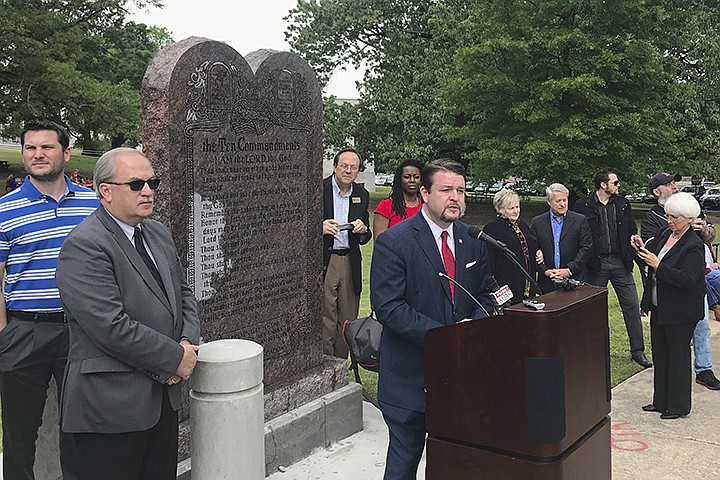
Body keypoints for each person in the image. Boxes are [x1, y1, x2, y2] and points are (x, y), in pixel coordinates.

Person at [55, 148, 201, 480]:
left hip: (161, 404)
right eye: (136, 184)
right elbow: (110, 327)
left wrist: (187, 341)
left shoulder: (157, 233)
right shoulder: (85, 246)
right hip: (110, 411)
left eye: (153, 182)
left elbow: (183, 294)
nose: (148, 191)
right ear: (105, 191)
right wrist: (174, 358)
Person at [370, 158, 494, 479]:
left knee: (453, 465)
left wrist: (474, 325)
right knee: (403, 465)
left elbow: (484, 293)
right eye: (446, 190)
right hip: (409, 381)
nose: (455, 197)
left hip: (458, 380)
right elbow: (389, 307)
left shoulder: (472, 241)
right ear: (424, 193)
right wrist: (446, 336)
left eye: (461, 190)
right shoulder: (394, 242)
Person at [0, 119, 98, 480]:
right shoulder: (4, 210)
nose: (38, 154)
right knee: (19, 432)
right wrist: (4, 334)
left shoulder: (93, 204)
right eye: (30, 148)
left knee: (80, 430)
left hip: (81, 332)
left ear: (66, 153)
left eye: (47, 147)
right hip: (25, 331)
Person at [640, 172, 720, 390]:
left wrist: (703, 229)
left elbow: (709, 235)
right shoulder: (656, 220)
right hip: (665, 297)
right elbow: (651, 246)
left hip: (688, 288)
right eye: (669, 185)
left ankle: (703, 370)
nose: (674, 187)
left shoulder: (688, 210)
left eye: (675, 183)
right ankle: (662, 398)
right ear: (657, 191)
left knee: (700, 328)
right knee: (665, 351)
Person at [634, 192, 706, 419]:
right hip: (659, 305)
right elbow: (650, 260)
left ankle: (678, 405)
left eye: (674, 217)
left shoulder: (694, 245)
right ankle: (660, 400)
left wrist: (658, 265)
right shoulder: (665, 233)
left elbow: (687, 280)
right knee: (661, 354)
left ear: (689, 218)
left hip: (681, 310)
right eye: (668, 216)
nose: (670, 221)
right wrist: (639, 250)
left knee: (677, 355)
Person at [574, 169, 651, 368]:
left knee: (632, 305)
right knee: (592, 310)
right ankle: (591, 350)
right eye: (615, 183)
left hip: (620, 262)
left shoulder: (622, 203)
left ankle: (638, 350)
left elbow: (632, 229)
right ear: (603, 185)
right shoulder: (583, 205)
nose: (618, 186)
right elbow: (578, 234)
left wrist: (633, 241)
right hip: (596, 265)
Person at [322, 148, 371, 359]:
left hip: (350, 260)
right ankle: (322, 363)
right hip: (326, 259)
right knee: (325, 316)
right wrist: (319, 227)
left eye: (353, 167)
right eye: (344, 165)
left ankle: (340, 366)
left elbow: (366, 235)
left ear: (358, 172)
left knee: (347, 319)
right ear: (335, 167)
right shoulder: (318, 189)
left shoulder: (362, 194)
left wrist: (363, 230)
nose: (348, 170)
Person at [530, 183, 593, 293]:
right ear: (549, 202)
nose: (562, 204)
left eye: (564, 200)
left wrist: (569, 270)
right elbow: (533, 249)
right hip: (547, 283)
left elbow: (586, 248)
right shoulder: (537, 223)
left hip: (574, 281)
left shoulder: (580, 221)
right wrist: (545, 270)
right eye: (558, 201)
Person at [482, 188, 541, 300]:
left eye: (517, 207)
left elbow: (533, 243)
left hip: (528, 279)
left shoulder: (522, 225)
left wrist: (538, 251)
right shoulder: (492, 228)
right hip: (507, 280)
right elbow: (488, 260)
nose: (516, 211)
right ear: (501, 209)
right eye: (511, 208)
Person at [373, 159, 423, 240]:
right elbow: (380, 244)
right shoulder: (386, 206)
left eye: (416, 177)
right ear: (399, 180)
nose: (412, 180)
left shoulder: (426, 206)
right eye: (407, 177)